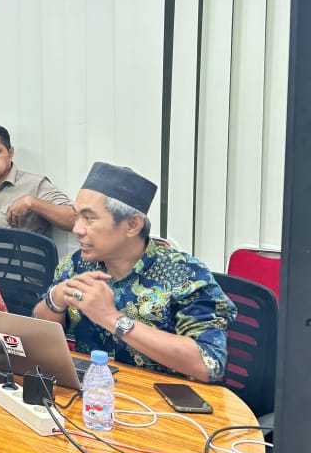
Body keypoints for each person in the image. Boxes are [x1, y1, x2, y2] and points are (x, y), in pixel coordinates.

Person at [33, 162, 236, 382]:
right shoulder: (77, 265)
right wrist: (56, 299)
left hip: (157, 397)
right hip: (92, 391)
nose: (77, 229)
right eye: (76, 217)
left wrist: (112, 318)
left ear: (132, 225)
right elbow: (41, 334)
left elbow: (209, 363)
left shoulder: (185, 275)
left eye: (89, 219)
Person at [0, 125, 74, 237]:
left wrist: (32, 203)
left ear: (10, 153)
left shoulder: (35, 184)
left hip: (21, 254)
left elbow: (75, 219)